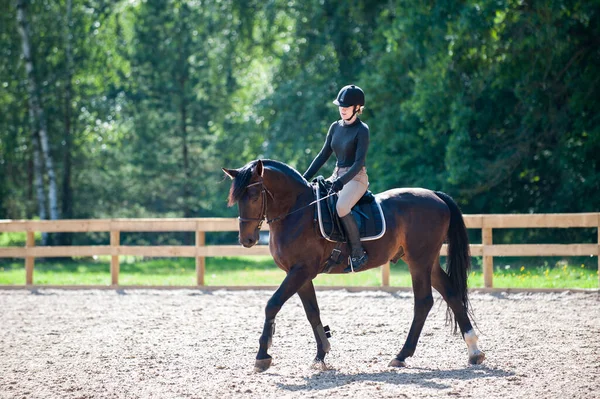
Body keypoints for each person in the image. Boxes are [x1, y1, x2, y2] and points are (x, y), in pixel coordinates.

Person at [303, 84, 370, 273]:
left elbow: (358, 163)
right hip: (336, 174)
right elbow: (323, 155)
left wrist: (340, 182)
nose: (342, 110)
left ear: (357, 108)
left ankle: (358, 253)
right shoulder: (335, 127)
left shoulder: (362, 130)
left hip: (356, 178)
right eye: (340, 107)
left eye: (346, 107)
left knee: (341, 207)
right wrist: (304, 178)